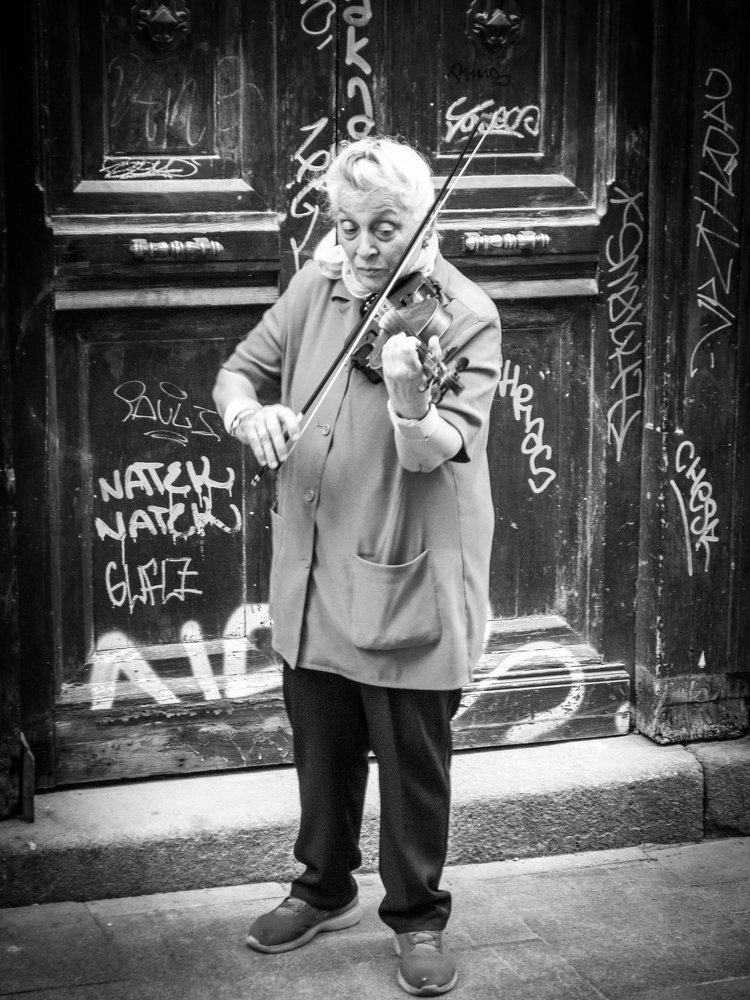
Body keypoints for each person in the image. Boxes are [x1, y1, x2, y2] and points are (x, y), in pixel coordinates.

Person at [212, 135, 501, 996]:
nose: (365, 249)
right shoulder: (318, 288)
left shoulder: (464, 314)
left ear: (425, 224)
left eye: (385, 228)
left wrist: (411, 400)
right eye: (348, 227)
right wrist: (251, 416)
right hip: (314, 567)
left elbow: (435, 450)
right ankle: (323, 887)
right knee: (322, 744)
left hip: (404, 565)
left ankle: (417, 916)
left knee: (411, 762)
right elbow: (238, 373)